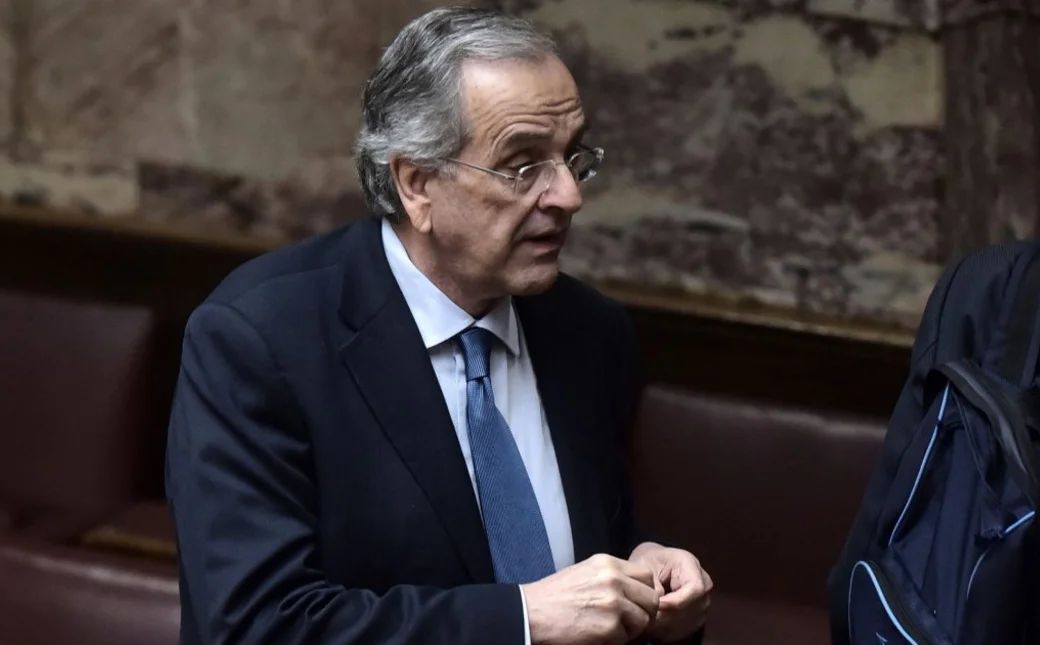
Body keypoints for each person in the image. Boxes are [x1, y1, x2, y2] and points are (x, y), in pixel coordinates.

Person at [164, 7, 712, 645]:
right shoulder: (259, 340)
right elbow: (255, 626)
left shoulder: (590, 332)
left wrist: (647, 575)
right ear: (417, 183)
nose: (569, 195)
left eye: (572, 157)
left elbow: (581, 560)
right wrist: (522, 620)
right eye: (523, 165)